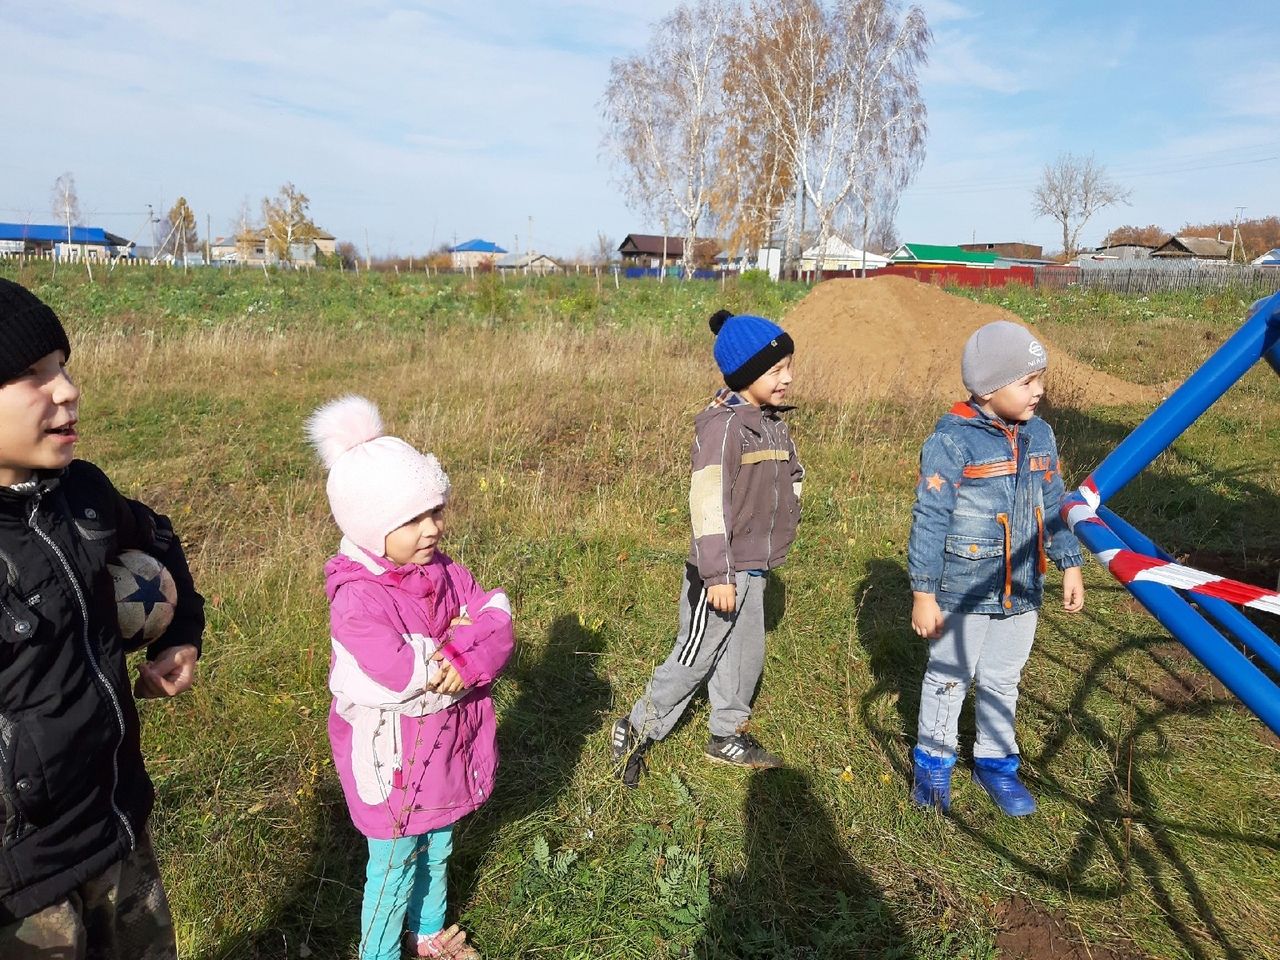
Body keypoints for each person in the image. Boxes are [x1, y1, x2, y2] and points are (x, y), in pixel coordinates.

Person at [0, 278, 205, 958]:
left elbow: (160, 541)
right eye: (33, 376)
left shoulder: (83, 496)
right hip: (22, 887)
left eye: (63, 366)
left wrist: (179, 634)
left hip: (117, 826)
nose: (66, 390)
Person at [307, 395, 514, 960]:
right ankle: (379, 952)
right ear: (371, 527)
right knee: (394, 862)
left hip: (443, 744)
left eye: (436, 511)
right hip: (392, 757)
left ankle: (428, 935)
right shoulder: (357, 599)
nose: (431, 529)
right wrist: (460, 647)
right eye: (412, 519)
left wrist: (463, 653)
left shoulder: (443, 568)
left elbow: (496, 614)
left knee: (440, 844)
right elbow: (401, 669)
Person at [612, 309, 803, 788]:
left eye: (789, 368)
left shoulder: (771, 422)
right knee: (696, 654)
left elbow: (792, 475)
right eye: (776, 370)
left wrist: (789, 511)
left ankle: (726, 733)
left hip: (754, 564)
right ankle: (635, 728)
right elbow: (706, 503)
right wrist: (717, 575)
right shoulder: (724, 428)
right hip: (718, 569)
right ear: (745, 375)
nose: (788, 378)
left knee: (744, 652)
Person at [908, 320, 1085, 816]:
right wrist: (924, 591)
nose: (1040, 391)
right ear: (989, 388)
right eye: (1028, 382)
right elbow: (929, 517)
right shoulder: (953, 443)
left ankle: (996, 762)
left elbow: (1054, 501)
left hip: (1024, 584)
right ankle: (934, 763)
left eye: (1040, 379)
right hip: (964, 587)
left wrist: (1069, 562)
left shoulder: (1041, 435)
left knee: (1004, 679)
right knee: (948, 676)